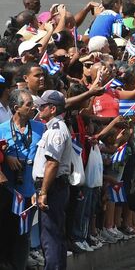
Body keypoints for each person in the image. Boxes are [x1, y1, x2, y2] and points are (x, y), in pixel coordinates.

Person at [0, 89, 45, 270]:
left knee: (23, 231)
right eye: (29, 105)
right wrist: (5, 155)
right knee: (5, 228)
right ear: (16, 108)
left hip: (30, 190)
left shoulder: (40, 128)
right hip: (8, 191)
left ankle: (19, 264)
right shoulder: (2, 129)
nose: (33, 108)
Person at [32, 90, 73, 270]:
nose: (39, 109)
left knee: (50, 237)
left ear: (52, 108)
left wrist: (43, 192)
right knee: (53, 234)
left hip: (53, 187)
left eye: (42, 106)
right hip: (52, 186)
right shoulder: (51, 128)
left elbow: (52, 164)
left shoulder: (55, 131)